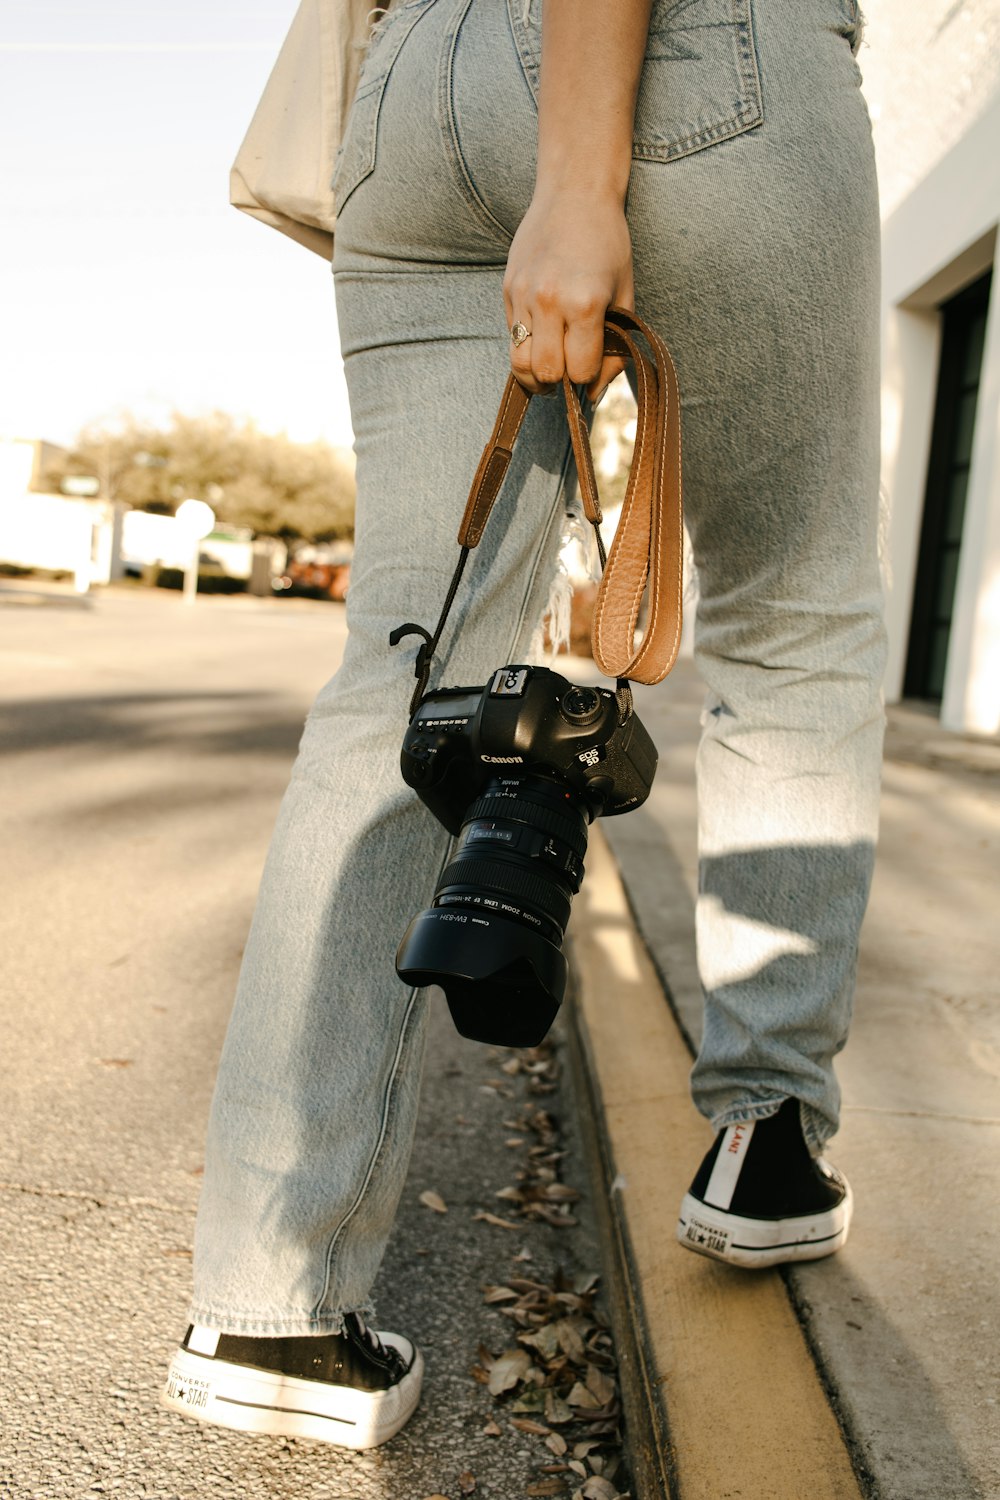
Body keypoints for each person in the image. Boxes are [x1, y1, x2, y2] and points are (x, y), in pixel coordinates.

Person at [162, 0, 884, 1448]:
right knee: (796, 622)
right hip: (697, 56)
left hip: (415, 92)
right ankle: (767, 1143)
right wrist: (575, 172)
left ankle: (269, 1301)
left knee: (403, 666)